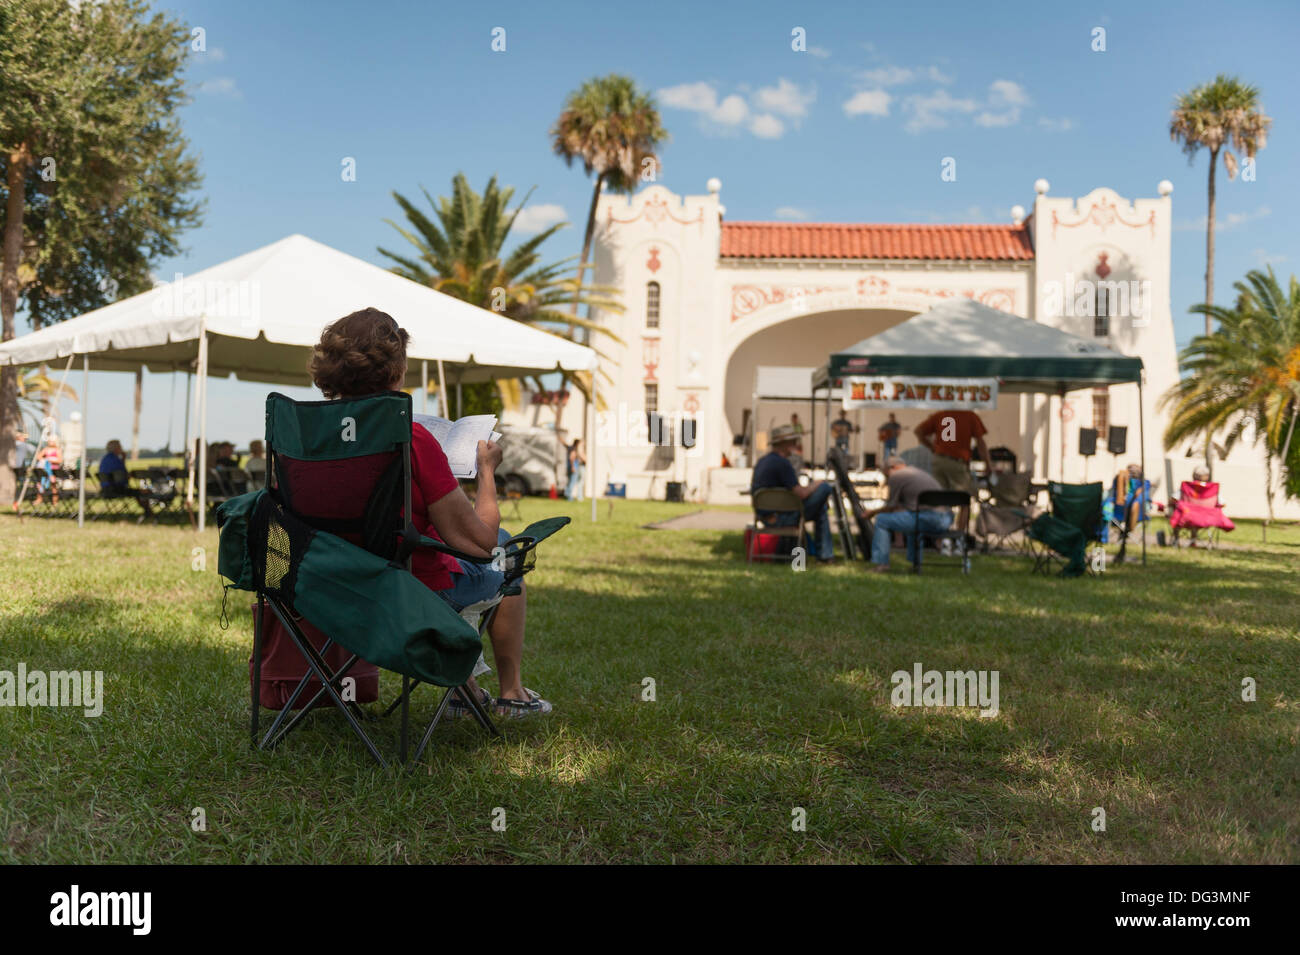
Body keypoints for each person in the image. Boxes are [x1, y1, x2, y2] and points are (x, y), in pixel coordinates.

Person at [309, 306, 550, 717]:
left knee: (444, 548)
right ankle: (512, 694)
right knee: (506, 554)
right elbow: (479, 543)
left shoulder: (308, 432)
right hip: (408, 590)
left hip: (328, 587)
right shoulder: (411, 437)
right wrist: (487, 472)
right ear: (397, 372)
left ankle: (467, 691)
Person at [751, 424, 836, 563]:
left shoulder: (762, 461)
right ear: (784, 444)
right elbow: (801, 494)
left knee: (821, 509)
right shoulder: (783, 464)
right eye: (793, 441)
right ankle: (824, 556)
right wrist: (817, 484)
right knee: (825, 488)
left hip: (764, 516)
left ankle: (822, 557)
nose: (796, 444)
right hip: (783, 517)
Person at [914, 408, 993, 541]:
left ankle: (939, 539)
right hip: (958, 462)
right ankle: (958, 538)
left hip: (939, 460)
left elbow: (919, 431)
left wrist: (932, 447)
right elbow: (980, 442)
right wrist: (988, 464)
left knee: (939, 499)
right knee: (964, 500)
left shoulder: (941, 414)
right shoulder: (969, 415)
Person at [868, 456, 952, 573]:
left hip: (928, 518)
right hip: (946, 519)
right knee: (912, 521)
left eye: (885, 474)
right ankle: (915, 563)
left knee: (882, 520)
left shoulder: (897, 476)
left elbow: (892, 506)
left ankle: (882, 563)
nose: (886, 478)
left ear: (892, 467)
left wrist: (872, 513)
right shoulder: (918, 472)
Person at [98, 439, 154, 521]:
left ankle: (148, 513)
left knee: (139, 492)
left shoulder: (105, 459)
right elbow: (124, 476)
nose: (122, 448)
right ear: (116, 448)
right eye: (120, 447)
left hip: (105, 490)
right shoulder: (116, 460)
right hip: (116, 489)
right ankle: (149, 513)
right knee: (142, 492)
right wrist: (123, 460)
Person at [33, 436, 63, 505]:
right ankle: (39, 499)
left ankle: (55, 501)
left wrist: (50, 460)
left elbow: (60, 460)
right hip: (45, 470)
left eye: (52, 441)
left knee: (53, 485)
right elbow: (38, 456)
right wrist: (45, 460)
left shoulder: (57, 450)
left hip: (54, 470)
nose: (50, 442)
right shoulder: (46, 449)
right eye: (49, 441)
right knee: (40, 484)